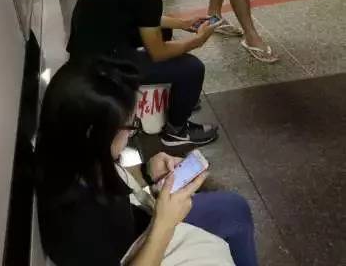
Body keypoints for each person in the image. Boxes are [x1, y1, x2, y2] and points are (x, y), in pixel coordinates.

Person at [36, 58, 259, 266]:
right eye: (130, 126)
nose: (131, 134)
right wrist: (164, 224)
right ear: (96, 134)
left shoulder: (70, 151)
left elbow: (108, 177)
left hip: (140, 224)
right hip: (145, 243)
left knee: (234, 207)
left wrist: (146, 171)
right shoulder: (76, 223)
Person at [68, 0, 218, 146]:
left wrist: (183, 24)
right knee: (192, 68)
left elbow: (143, 16)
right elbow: (158, 53)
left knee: (165, 33)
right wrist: (197, 41)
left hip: (85, 53)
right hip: (101, 67)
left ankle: (179, 95)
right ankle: (177, 131)